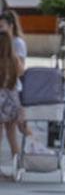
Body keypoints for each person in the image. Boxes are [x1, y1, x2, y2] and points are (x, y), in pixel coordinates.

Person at [0, 32, 33, 162]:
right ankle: (17, 165)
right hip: (12, 102)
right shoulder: (15, 61)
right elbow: (21, 76)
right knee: (12, 135)